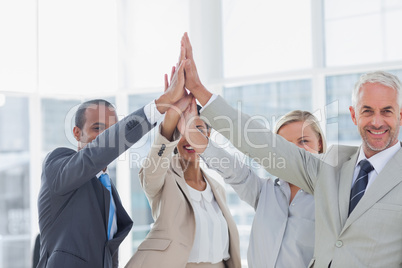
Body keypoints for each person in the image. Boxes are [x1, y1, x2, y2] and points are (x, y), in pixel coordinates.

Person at [180, 32, 402, 267]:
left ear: (400, 115)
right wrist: (198, 90)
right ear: (354, 115)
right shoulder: (331, 166)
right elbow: (264, 145)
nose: (377, 122)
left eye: (386, 111)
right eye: (367, 111)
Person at [36, 53, 189, 268]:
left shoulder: (106, 187)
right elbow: (93, 155)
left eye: (112, 130)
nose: (106, 136)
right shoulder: (58, 164)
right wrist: (160, 105)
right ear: (77, 133)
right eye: (98, 128)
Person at [181, 107, 326, 267]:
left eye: (303, 141)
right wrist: (189, 126)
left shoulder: (332, 196)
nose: (294, 151)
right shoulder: (264, 191)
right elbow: (230, 167)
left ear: (319, 143)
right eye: (285, 145)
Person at [124, 71, 241, 268]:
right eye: (181, 131)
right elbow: (151, 174)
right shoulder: (164, 178)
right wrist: (170, 119)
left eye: (196, 129)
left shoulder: (217, 188)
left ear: (209, 134)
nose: (189, 138)